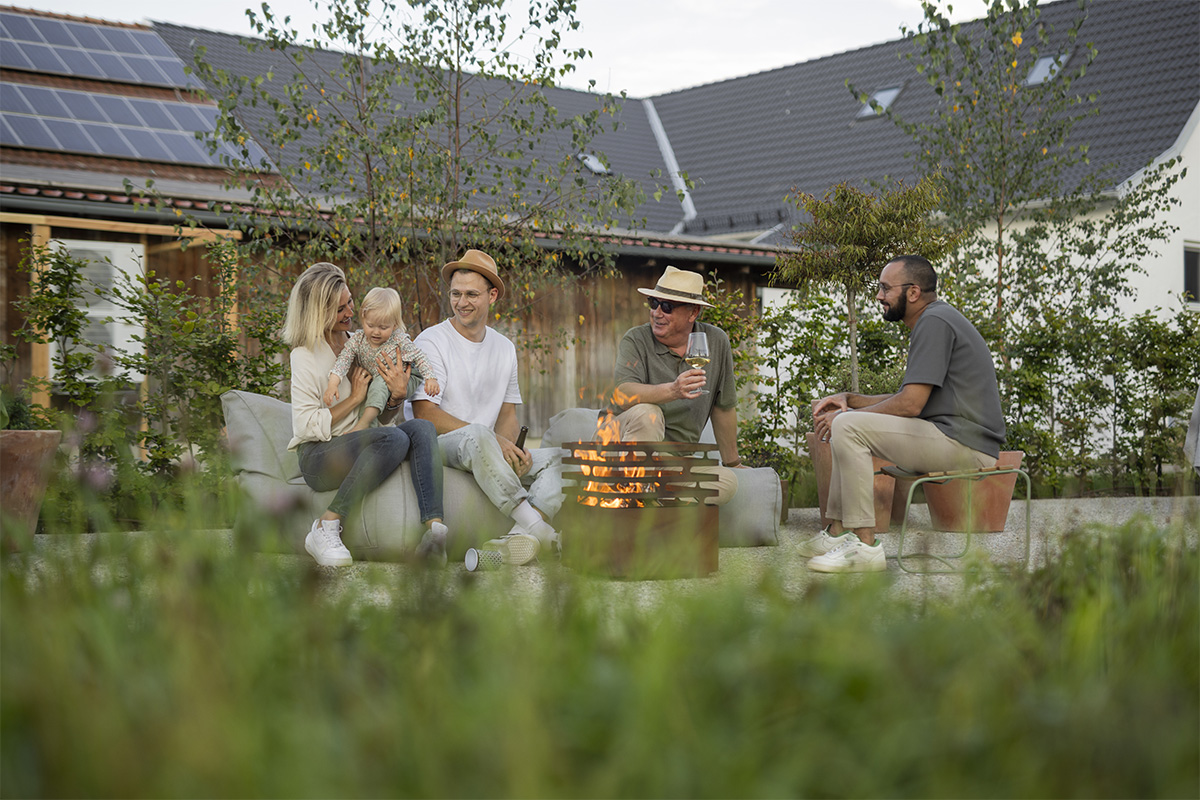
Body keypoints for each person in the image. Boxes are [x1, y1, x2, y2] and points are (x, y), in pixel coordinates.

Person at [801, 254, 1006, 573]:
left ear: (912, 292)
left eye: (885, 288)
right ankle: (838, 532)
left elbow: (911, 405)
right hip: (950, 435)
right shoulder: (936, 319)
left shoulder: (934, 322)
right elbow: (908, 398)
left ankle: (865, 546)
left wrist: (847, 415)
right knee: (848, 422)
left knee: (848, 427)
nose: (879, 296)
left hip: (965, 445)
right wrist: (849, 399)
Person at [284, 262, 448, 568]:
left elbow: (381, 420)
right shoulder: (304, 355)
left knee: (421, 428)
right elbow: (305, 425)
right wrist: (355, 397)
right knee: (394, 439)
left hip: (361, 439)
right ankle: (326, 525)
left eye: (349, 302)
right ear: (319, 312)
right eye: (340, 309)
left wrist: (396, 396)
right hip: (320, 455)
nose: (350, 312)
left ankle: (434, 532)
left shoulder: (357, 344)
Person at [409, 249, 562, 566]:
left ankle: (521, 534)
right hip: (440, 446)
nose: (461, 302)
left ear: (492, 295)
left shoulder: (504, 348)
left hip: (485, 446)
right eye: (455, 294)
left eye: (471, 294)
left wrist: (510, 452)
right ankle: (540, 531)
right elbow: (425, 413)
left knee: (564, 458)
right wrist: (494, 441)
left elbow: (507, 415)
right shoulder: (431, 342)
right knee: (478, 434)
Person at [601, 265, 745, 504]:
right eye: (653, 302)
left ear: (693, 313)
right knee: (649, 413)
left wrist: (734, 463)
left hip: (674, 465)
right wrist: (673, 390)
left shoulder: (716, 341)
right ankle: (641, 501)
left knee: (726, 482)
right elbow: (622, 392)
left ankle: (658, 505)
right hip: (621, 452)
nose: (657, 312)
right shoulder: (636, 339)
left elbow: (723, 407)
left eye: (667, 306)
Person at [323, 287, 440, 432]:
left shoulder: (398, 340)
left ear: (394, 325)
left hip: (407, 377)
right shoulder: (358, 339)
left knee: (379, 384)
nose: (376, 332)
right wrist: (333, 384)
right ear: (363, 319)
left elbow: (420, 356)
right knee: (370, 389)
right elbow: (344, 359)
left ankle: (364, 423)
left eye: (383, 327)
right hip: (380, 378)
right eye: (370, 325)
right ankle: (369, 433)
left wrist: (430, 378)